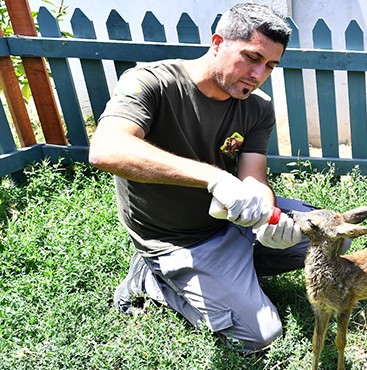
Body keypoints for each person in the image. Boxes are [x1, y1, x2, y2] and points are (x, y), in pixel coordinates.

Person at [89, 3, 319, 352]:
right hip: (177, 239)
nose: (258, 74)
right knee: (258, 336)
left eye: (270, 65)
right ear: (217, 42)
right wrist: (214, 179)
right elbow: (107, 149)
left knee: (329, 239)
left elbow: (253, 176)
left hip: (230, 220)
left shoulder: (256, 106)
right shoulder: (152, 82)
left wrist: (266, 218)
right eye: (251, 57)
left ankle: (230, 275)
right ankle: (153, 277)